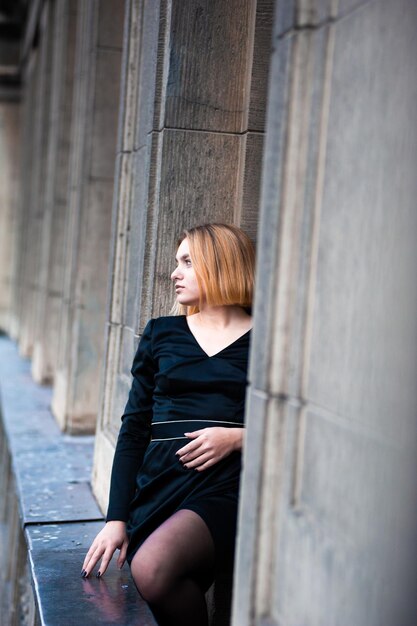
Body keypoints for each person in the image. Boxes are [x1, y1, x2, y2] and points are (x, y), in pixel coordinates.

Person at [81, 223, 255, 626]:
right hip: (159, 481)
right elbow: (134, 428)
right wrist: (115, 518)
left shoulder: (265, 339)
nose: (175, 273)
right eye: (177, 263)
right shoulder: (162, 332)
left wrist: (238, 438)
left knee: (153, 567)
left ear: (221, 265)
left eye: (187, 262)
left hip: (225, 483)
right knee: (157, 570)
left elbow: (290, 423)